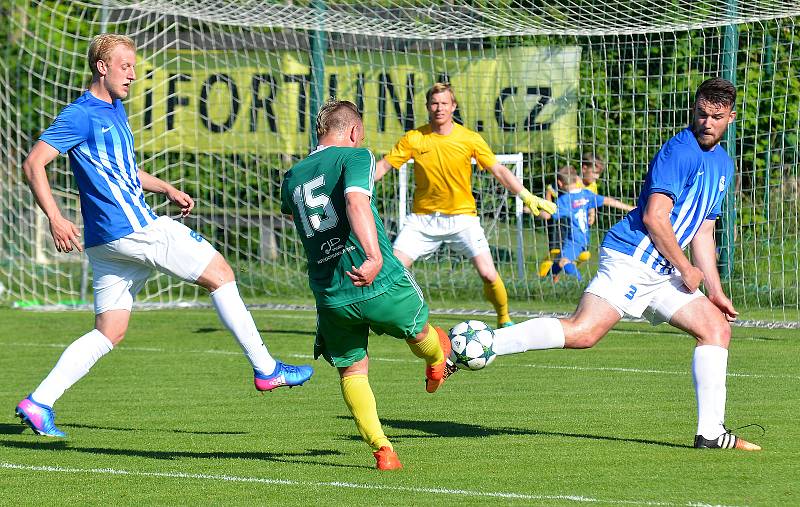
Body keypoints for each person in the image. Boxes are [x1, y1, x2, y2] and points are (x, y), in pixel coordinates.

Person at [15, 33, 313, 439]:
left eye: (134, 67)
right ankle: (267, 369)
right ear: (101, 67)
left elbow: (122, 170)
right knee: (221, 273)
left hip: (108, 243)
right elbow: (34, 163)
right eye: (125, 66)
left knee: (109, 331)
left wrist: (166, 188)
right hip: (133, 228)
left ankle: (39, 401)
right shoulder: (80, 115)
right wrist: (54, 216)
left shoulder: (114, 110)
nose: (133, 75)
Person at [490, 77, 761, 451]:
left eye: (716, 117)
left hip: (663, 268)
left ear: (730, 117)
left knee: (715, 327)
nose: (707, 123)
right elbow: (654, 218)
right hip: (633, 258)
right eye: (701, 114)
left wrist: (715, 291)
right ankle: (485, 343)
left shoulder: (723, 164)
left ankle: (711, 433)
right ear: (693, 110)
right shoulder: (678, 152)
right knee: (583, 332)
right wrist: (686, 269)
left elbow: (704, 229)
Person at [281, 99, 452, 470]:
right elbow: (356, 202)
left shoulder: (292, 176)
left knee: (352, 370)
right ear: (355, 132)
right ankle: (438, 360)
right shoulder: (356, 157)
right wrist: (373, 257)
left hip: (331, 292)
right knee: (422, 332)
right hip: (375, 278)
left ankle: (383, 450)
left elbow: (300, 215)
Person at [374, 83, 555, 329]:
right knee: (390, 272)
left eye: (444, 103)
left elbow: (499, 170)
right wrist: (355, 185)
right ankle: (379, 319)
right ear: (428, 106)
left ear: (453, 106)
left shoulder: (469, 138)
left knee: (489, 274)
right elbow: (383, 166)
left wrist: (526, 195)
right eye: (434, 103)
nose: (439, 108)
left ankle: (504, 317)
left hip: (463, 219)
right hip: (422, 220)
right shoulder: (414, 138)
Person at [539, 165, 634, 281]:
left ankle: (581, 284)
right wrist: (630, 208)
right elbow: (608, 200)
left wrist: (533, 208)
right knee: (560, 261)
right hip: (584, 238)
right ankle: (545, 280)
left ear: (559, 183)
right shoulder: (586, 194)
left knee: (564, 261)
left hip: (573, 239)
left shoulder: (564, 200)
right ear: (577, 179)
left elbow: (547, 215)